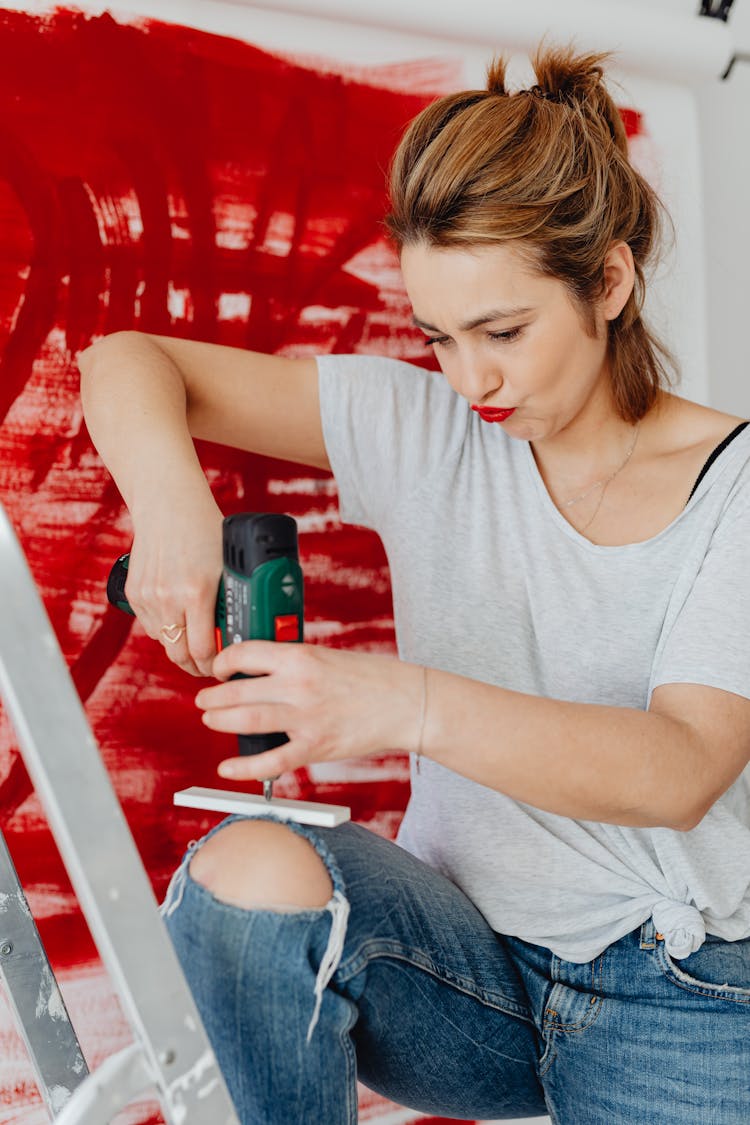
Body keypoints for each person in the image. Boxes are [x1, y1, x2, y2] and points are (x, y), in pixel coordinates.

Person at [79, 45, 750, 1125]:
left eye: (503, 333)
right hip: (467, 967)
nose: (469, 378)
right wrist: (174, 512)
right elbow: (127, 359)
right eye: (439, 337)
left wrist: (401, 701)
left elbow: (680, 771)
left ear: (610, 283)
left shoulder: (737, 491)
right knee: (247, 878)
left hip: (681, 989)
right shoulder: (429, 426)